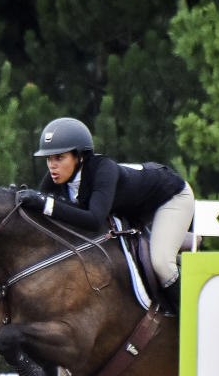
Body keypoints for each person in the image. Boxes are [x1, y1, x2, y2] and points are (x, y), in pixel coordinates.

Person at [17, 117, 194, 311]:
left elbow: (93, 219)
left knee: (161, 263)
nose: (52, 165)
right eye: (49, 159)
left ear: (80, 157)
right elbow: (42, 215)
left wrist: (45, 203)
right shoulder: (56, 177)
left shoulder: (103, 169)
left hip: (170, 197)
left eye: (59, 157)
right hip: (134, 207)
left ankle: (189, 317)